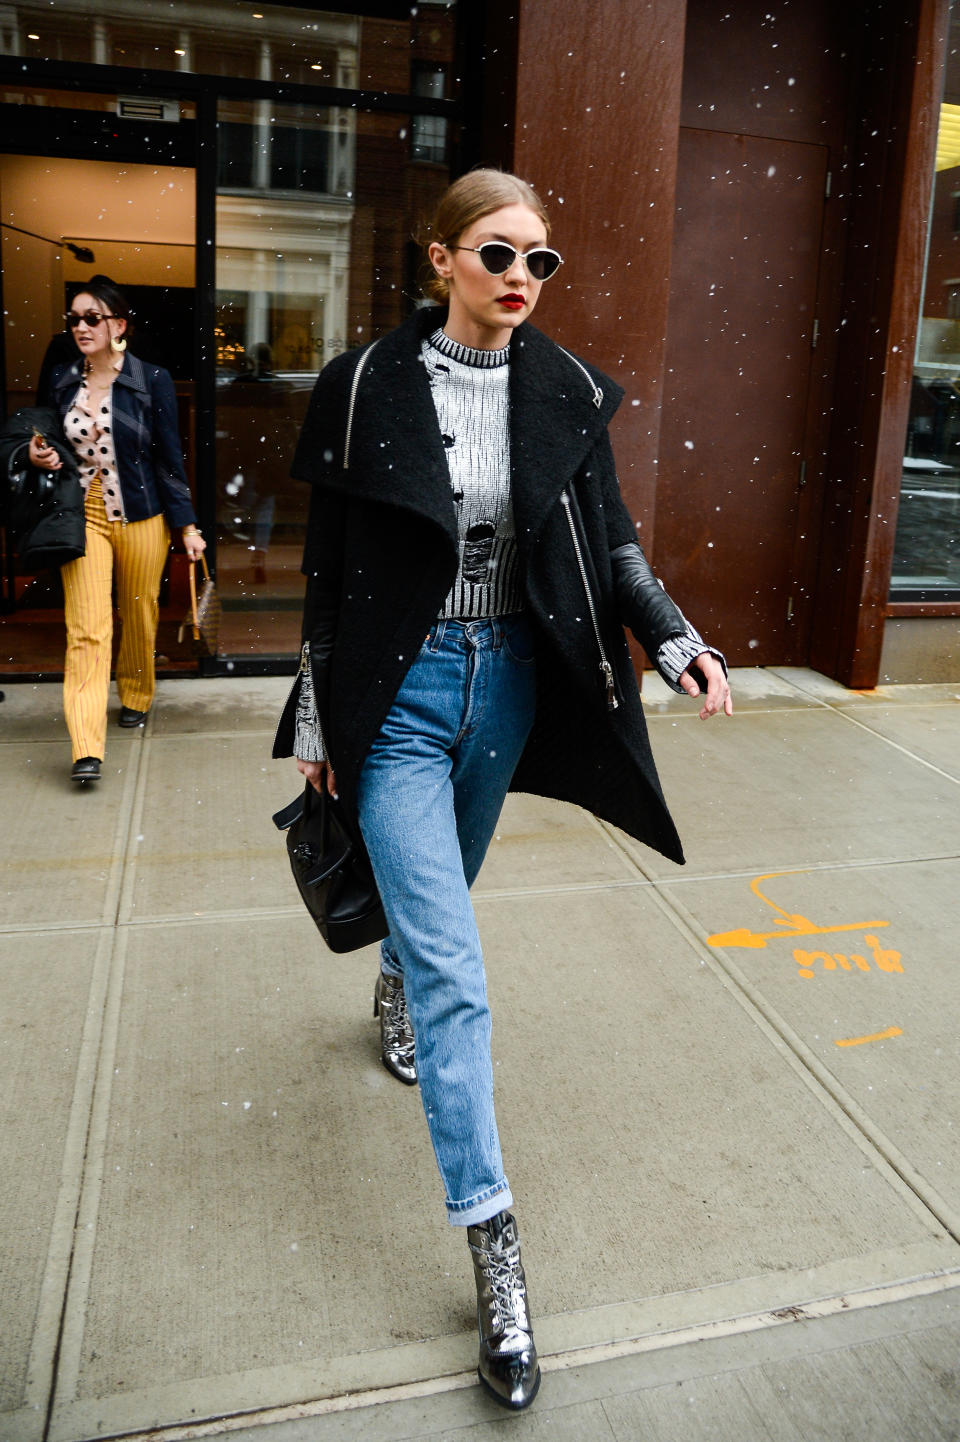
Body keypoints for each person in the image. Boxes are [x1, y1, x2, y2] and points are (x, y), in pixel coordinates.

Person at [274, 169, 732, 1411]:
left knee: (443, 908)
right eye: (497, 254)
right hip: (402, 698)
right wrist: (317, 711)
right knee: (460, 971)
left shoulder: (566, 390)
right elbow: (326, 569)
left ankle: (394, 976)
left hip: (511, 687)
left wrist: (678, 637)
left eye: (541, 259)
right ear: (441, 261)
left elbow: (614, 542)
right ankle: (498, 1249)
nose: (522, 278)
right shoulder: (368, 385)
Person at [28, 277, 205, 783]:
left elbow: (170, 460)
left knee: (138, 610)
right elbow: (41, 438)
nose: (81, 327)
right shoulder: (63, 380)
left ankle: (135, 690)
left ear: (118, 325)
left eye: (92, 318)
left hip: (142, 513)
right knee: (86, 628)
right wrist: (40, 454)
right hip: (82, 514)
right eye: (75, 319)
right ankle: (86, 747)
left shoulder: (152, 381)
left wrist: (186, 523)